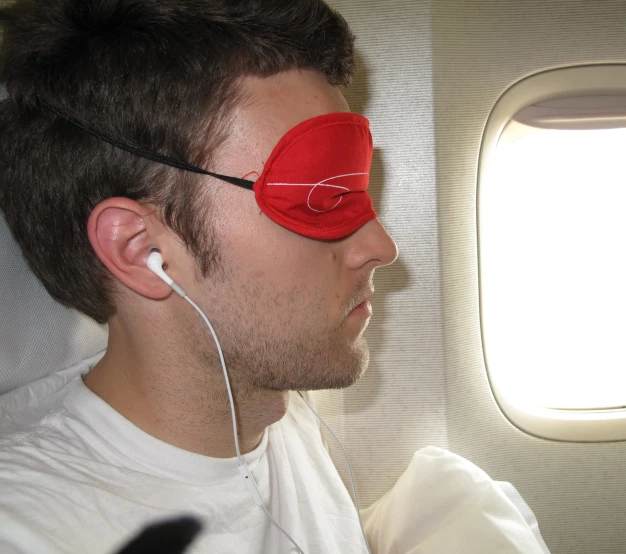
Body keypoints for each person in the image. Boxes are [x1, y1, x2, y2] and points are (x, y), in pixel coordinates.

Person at [0, 0, 398, 553]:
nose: (380, 247)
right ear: (140, 250)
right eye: (321, 197)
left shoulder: (284, 419)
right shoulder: (29, 531)